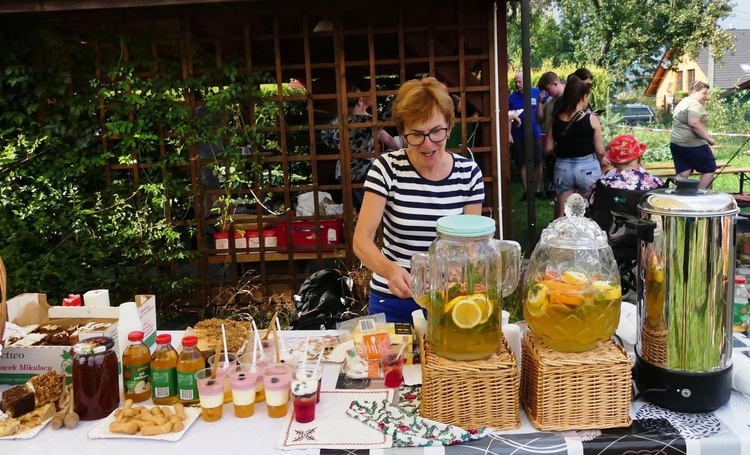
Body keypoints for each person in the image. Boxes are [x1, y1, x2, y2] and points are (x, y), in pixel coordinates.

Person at [353, 77, 485, 323]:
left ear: (449, 125)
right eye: (416, 135)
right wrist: (391, 270)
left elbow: (471, 244)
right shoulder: (387, 168)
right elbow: (361, 240)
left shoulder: (469, 174)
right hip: (394, 298)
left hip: (449, 296)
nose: (428, 144)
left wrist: (461, 271)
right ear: (402, 132)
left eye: (436, 132)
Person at [321, 85, 400, 211]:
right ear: (359, 100)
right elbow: (387, 117)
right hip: (362, 171)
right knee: (369, 209)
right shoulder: (367, 121)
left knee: (354, 209)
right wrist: (398, 96)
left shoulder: (337, 120)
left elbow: (324, 136)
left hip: (342, 171)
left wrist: (340, 146)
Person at [544, 74, 608, 218]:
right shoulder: (591, 119)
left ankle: (560, 239)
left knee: (562, 214)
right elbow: (600, 150)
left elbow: (547, 148)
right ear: (584, 97)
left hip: (563, 167)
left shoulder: (556, 119)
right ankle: (589, 239)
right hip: (587, 167)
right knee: (591, 210)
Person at [586, 134, 665, 206]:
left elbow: (590, 202)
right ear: (639, 159)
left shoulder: (603, 185)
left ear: (613, 162)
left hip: (611, 221)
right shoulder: (657, 183)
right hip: (647, 220)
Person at [670, 81, 716, 189]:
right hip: (692, 144)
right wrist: (709, 139)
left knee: (683, 173)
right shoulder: (694, 104)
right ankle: (700, 196)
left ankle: (673, 197)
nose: (706, 96)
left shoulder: (683, 102)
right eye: (704, 93)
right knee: (709, 169)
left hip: (676, 143)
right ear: (694, 91)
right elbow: (694, 123)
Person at [509, 71, 544, 201]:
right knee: (521, 162)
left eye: (520, 81)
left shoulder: (536, 92)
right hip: (518, 135)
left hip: (534, 133)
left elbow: (547, 102)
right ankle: (527, 191)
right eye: (515, 82)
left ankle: (537, 189)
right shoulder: (511, 98)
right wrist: (508, 133)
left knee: (537, 162)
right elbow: (508, 115)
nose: (517, 84)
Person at [537, 71, 566, 198]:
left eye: (548, 89)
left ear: (555, 83)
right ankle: (554, 196)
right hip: (551, 143)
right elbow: (539, 119)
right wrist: (539, 103)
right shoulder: (549, 101)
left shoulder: (567, 100)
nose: (547, 93)